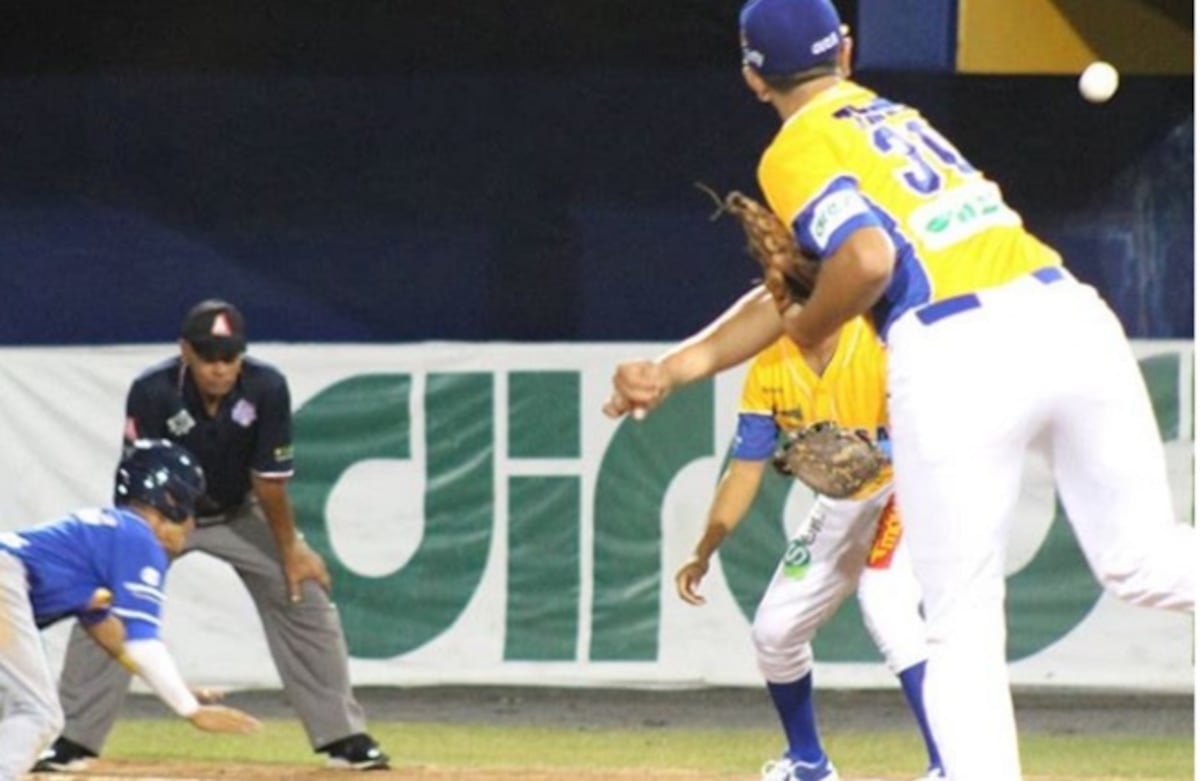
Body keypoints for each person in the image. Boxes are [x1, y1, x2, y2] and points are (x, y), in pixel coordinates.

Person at [612, 2, 1196, 778]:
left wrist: (812, 326)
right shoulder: (898, 118)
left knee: (959, 619)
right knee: (1146, 560)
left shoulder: (798, 145)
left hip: (955, 346)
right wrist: (681, 365)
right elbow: (804, 286)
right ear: (846, 51)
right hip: (1070, 314)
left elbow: (865, 261)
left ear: (754, 78)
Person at [35, 299, 390, 772]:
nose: (220, 368)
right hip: (162, 519)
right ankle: (74, 739)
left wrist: (291, 550)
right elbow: (137, 481)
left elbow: (269, 481)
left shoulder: (266, 387)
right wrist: (126, 554)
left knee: (302, 592)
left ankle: (343, 735)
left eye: (230, 356)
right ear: (186, 351)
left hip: (237, 512)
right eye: (208, 357)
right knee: (106, 600)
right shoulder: (153, 391)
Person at [674, 325, 942, 781]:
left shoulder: (877, 343)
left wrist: (880, 448)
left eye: (796, 296)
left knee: (886, 603)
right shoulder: (769, 368)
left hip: (910, 487)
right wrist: (704, 550)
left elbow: (944, 426)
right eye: (779, 300)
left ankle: (951, 763)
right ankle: (808, 763)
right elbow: (744, 472)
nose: (788, 308)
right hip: (844, 505)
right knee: (774, 632)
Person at [0, 439, 261, 780]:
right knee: (39, 713)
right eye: (191, 507)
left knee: (21, 708)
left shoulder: (106, 537)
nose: (193, 523)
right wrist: (190, 709)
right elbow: (141, 642)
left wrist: (175, 686)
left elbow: (113, 636)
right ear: (171, 500)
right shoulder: (138, 536)